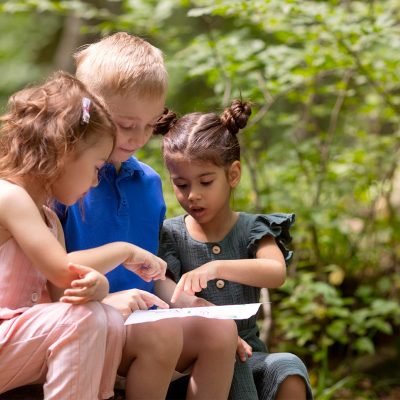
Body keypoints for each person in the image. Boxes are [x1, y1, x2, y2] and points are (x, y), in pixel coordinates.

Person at [58, 32, 238, 399]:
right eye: (126, 125)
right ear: (86, 108)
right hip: (89, 320)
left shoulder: (148, 183)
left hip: (145, 318)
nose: (139, 138)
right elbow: (46, 280)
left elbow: (148, 275)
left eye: (150, 125)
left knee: (221, 330)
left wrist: (184, 300)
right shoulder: (64, 180)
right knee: (162, 333)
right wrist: (104, 302)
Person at [0, 71, 165, 399]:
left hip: (15, 343)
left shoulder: (48, 219)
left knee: (105, 316)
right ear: (63, 152)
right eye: (95, 167)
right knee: (84, 320)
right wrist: (123, 250)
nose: (94, 182)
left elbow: (63, 292)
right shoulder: (9, 196)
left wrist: (99, 286)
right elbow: (62, 268)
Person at [155, 99, 314, 400]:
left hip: (252, 354)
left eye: (205, 182)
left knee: (288, 368)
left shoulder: (252, 229)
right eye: (182, 185)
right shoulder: (171, 235)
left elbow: (275, 271)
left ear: (233, 175)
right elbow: (164, 289)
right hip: (195, 364)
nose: (193, 196)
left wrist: (216, 267)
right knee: (225, 346)